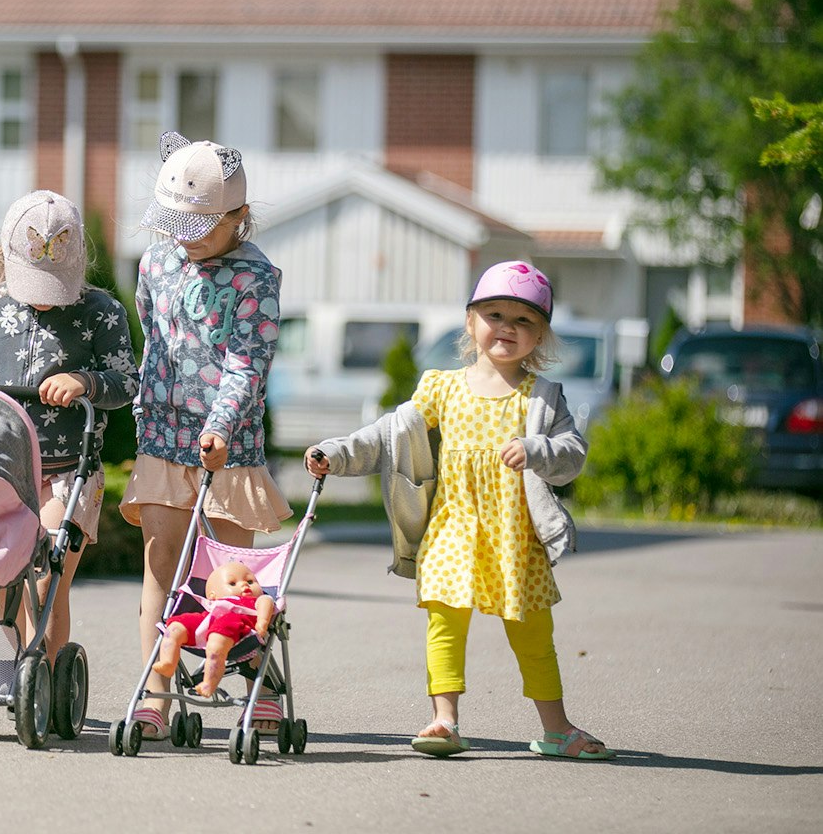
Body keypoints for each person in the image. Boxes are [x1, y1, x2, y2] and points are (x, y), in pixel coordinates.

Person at [305, 260, 614, 760]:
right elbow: (389, 435)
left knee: (533, 634)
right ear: (470, 322)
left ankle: (557, 729)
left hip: (517, 539)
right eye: (495, 314)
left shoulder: (543, 397)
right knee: (444, 624)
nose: (508, 328)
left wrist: (539, 450)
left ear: (542, 337)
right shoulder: (441, 387)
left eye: (524, 321)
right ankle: (443, 720)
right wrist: (337, 454)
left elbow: (573, 455)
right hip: (452, 528)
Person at [120, 130, 289, 741]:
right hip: (164, 437)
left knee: (233, 575)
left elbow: (249, 361)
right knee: (160, 559)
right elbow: (153, 337)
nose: (185, 238)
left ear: (239, 218)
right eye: (176, 225)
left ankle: (260, 685)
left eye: (202, 228)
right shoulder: (156, 261)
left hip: (228, 449)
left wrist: (220, 426)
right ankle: (156, 692)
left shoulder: (256, 278)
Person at [0, 190, 137, 660]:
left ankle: (45, 673)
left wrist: (84, 381)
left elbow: (126, 381)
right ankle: (29, 665)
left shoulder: (100, 311)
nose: (43, 302)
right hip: (0, 467)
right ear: (6, 257)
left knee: (46, 576)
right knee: (1, 577)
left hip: (68, 470)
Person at [153, 560, 276, 698]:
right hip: (207, 619)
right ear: (212, 596)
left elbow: (266, 603)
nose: (244, 584)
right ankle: (168, 661)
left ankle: (209, 682)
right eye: (232, 583)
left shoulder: (257, 600)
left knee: (218, 637)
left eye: (250, 581)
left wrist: (262, 623)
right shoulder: (212, 603)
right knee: (177, 624)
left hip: (234, 623)